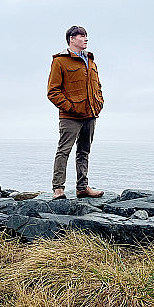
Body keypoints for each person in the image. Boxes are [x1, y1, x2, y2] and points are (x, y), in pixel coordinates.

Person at [47, 26, 105, 200]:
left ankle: (82, 187)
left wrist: (99, 102)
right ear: (71, 39)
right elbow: (53, 92)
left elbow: (97, 86)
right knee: (63, 151)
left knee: (84, 152)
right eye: (81, 36)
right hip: (70, 116)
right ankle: (58, 189)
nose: (85, 39)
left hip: (90, 114)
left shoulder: (90, 60)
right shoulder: (60, 61)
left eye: (86, 36)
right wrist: (71, 107)